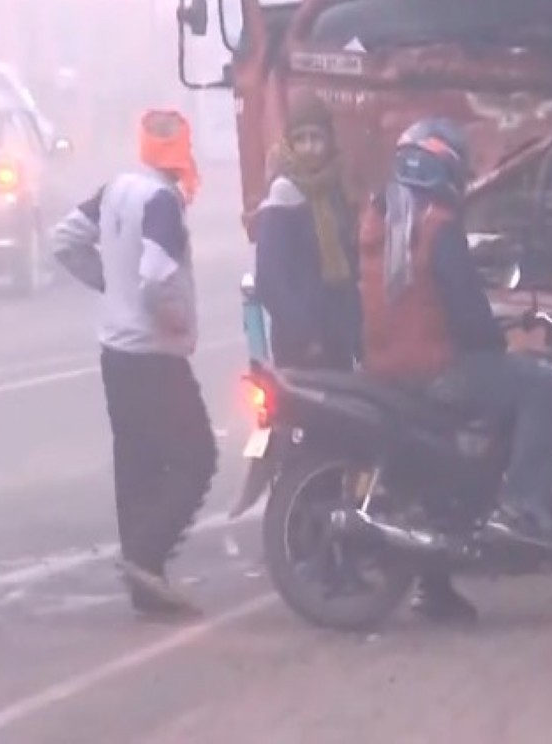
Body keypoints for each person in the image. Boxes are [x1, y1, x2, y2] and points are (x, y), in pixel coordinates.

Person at [357, 118, 552, 618]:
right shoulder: (437, 225)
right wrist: (499, 341)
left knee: (447, 467)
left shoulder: (377, 217)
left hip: (386, 369)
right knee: (540, 386)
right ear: (443, 165)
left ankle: (435, 589)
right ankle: (521, 508)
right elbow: (466, 312)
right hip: (434, 372)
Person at [51, 108, 217, 618]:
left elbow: (65, 240)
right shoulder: (162, 201)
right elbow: (157, 275)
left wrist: (107, 283)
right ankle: (146, 555)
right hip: (154, 354)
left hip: (115, 352)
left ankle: (145, 585)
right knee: (197, 458)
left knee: (137, 463)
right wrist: (173, 318)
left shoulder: (117, 188)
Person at [253, 90, 360, 370]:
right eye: (300, 139)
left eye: (317, 138)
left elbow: (350, 268)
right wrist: (305, 336)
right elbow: (270, 279)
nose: (309, 147)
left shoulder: (336, 192)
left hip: (337, 340)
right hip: (301, 348)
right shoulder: (283, 194)